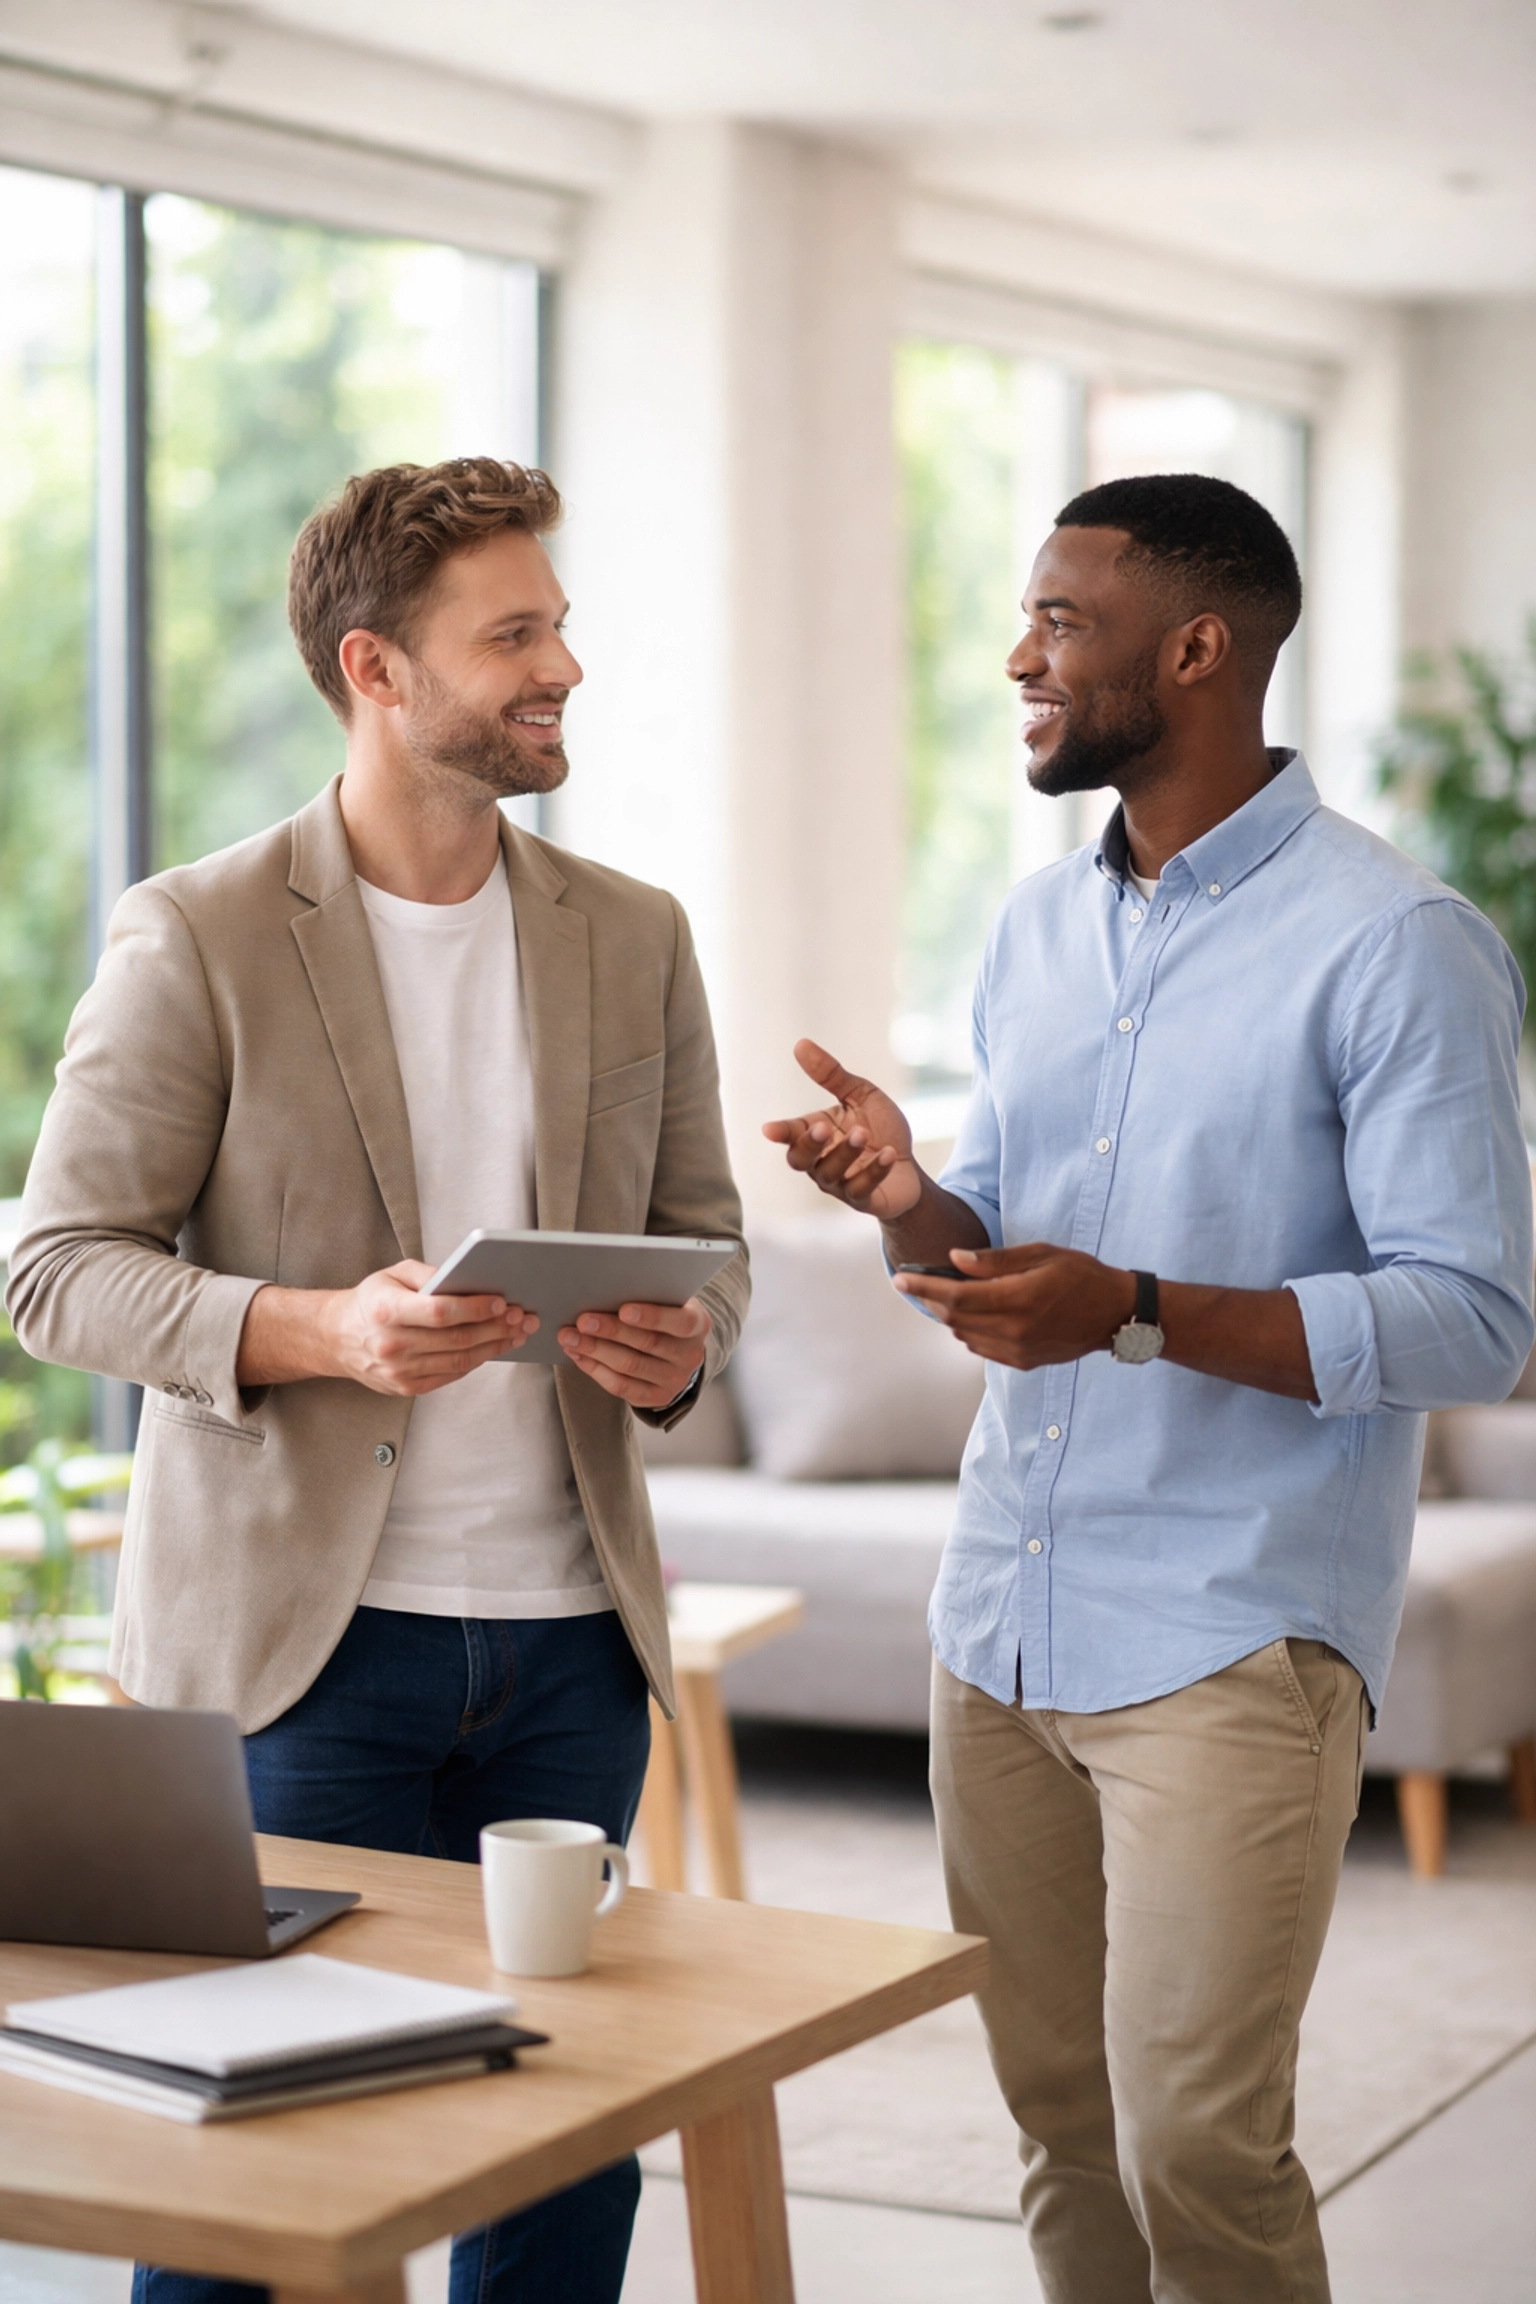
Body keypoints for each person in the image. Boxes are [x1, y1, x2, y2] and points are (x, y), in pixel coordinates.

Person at [764, 473, 1533, 2304]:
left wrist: (1138, 1310)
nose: (1017, 655)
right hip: (1002, 1619)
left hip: (1233, 1636)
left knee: (1195, 2134)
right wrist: (909, 1202)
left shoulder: (1399, 944)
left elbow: (1477, 1320)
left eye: (1059, 621)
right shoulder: (1037, 932)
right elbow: (1003, 1263)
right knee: (1058, 2119)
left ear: (1196, 650)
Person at [8, 456, 748, 2304]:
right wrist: (326, 1328)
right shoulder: (202, 931)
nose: (561, 663)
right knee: (265, 2175)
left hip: (576, 1648)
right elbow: (55, 1272)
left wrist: (681, 1343)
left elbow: (704, 1240)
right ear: (377, 669)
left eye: (559, 624)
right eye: (514, 635)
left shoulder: (633, 933)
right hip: (302, 1661)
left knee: (565, 2159)